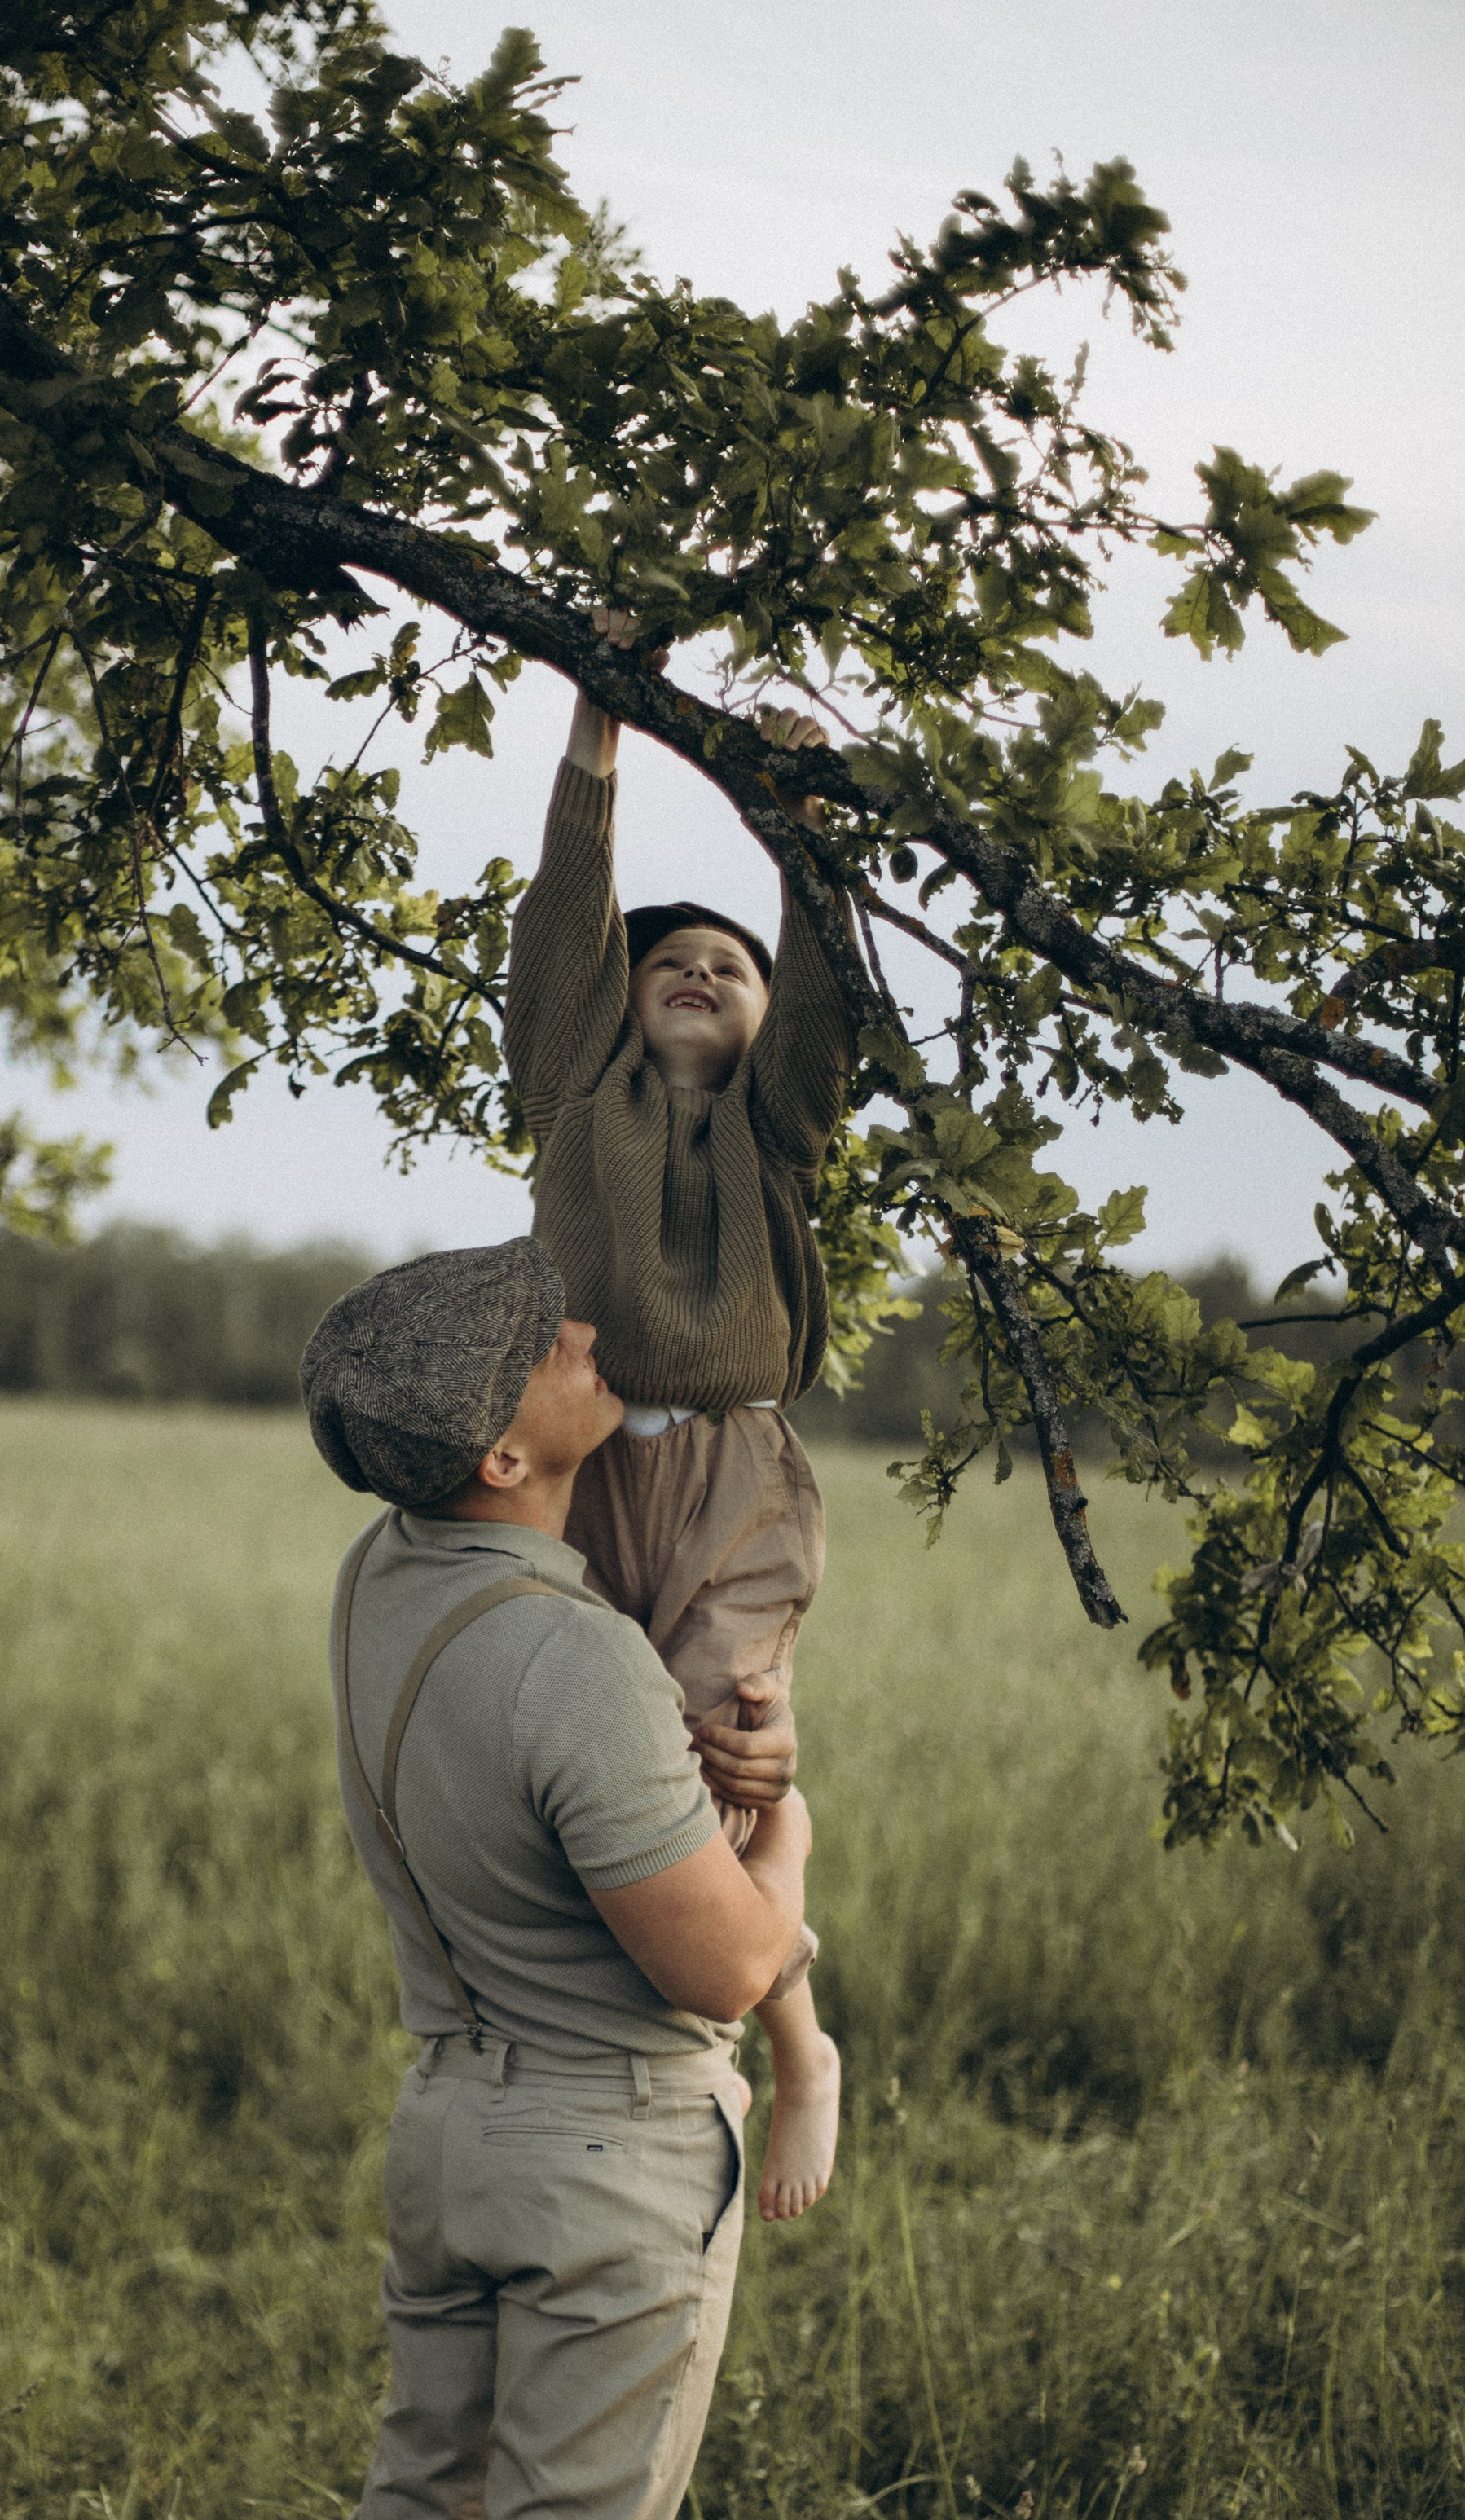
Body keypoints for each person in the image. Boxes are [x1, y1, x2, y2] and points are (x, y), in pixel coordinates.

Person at [279, 1240, 813, 2520]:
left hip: (445, 2128)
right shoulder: (573, 1661)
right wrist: (787, 1839)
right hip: (606, 2163)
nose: (585, 1336)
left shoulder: (379, 1578)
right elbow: (729, 1967)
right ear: (501, 1454)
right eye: (546, 1343)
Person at [505, 606, 855, 2227]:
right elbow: (566, 926)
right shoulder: (579, 1098)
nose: (699, 974)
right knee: (589, 1747)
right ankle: (613, 2014)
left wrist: (800, 848)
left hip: (729, 1475)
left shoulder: (783, 1136)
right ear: (619, 1007)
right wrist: (594, 728)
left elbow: (826, 1004)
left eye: (730, 968)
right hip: (574, 1461)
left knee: (719, 1742)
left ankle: (790, 2037)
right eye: (668, 965)